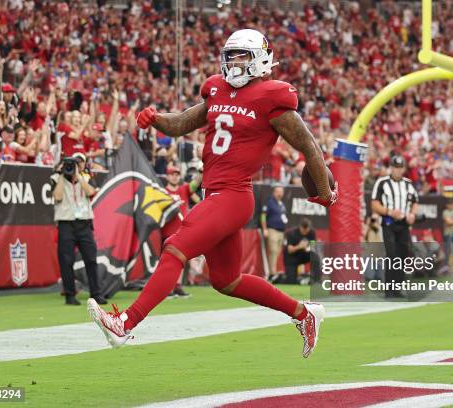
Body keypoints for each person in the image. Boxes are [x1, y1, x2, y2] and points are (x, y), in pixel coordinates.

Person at [88, 29, 337, 358]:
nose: (233, 63)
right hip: (216, 193)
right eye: (230, 55)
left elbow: (309, 147)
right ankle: (304, 314)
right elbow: (181, 123)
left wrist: (324, 191)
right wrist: (156, 119)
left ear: (260, 59)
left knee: (175, 247)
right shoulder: (217, 89)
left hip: (234, 195)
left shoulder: (273, 97)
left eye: (241, 56)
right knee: (226, 280)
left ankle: (126, 323)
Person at [51, 153, 106, 306]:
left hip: (84, 223)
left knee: (90, 259)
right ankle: (69, 295)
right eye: (73, 163)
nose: (75, 165)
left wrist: (78, 176)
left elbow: (91, 192)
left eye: (78, 162)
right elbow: (57, 196)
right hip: (66, 223)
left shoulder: (87, 177)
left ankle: (96, 293)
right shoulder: (56, 178)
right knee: (66, 260)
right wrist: (63, 175)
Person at [370, 155, 419, 297]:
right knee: (392, 255)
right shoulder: (382, 182)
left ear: (403, 168)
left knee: (403, 256)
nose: (398, 170)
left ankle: (397, 288)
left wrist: (412, 214)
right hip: (389, 222)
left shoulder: (408, 184)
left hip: (403, 224)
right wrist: (389, 211)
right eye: (395, 167)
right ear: (391, 168)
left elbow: (415, 201)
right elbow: (374, 204)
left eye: (400, 168)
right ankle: (389, 290)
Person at [162, 164, 203, 298]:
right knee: (168, 262)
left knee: (180, 261)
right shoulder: (162, 192)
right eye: (172, 174)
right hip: (166, 232)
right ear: (167, 176)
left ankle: (177, 287)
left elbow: (196, 182)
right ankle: (167, 287)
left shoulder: (183, 189)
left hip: (182, 232)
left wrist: (202, 170)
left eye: (177, 174)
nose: (174, 177)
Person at [261, 185, 288, 282]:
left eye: (281, 192)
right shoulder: (270, 202)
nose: (280, 194)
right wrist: (265, 229)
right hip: (272, 230)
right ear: (274, 192)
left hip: (281, 231)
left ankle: (273, 272)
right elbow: (263, 215)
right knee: (273, 251)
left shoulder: (281, 204)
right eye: (278, 191)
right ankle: (272, 273)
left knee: (277, 252)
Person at [282, 218, 317, 285]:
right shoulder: (292, 233)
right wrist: (299, 246)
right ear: (300, 227)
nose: (305, 233)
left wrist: (308, 248)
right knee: (291, 282)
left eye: (306, 231)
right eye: (303, 231)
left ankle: (316, 279)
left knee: (316, 257)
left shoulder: (312, 232)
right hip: (291, 257)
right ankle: (280, 278)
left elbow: (314, 246)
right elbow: (289, 250)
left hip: (304, 254)